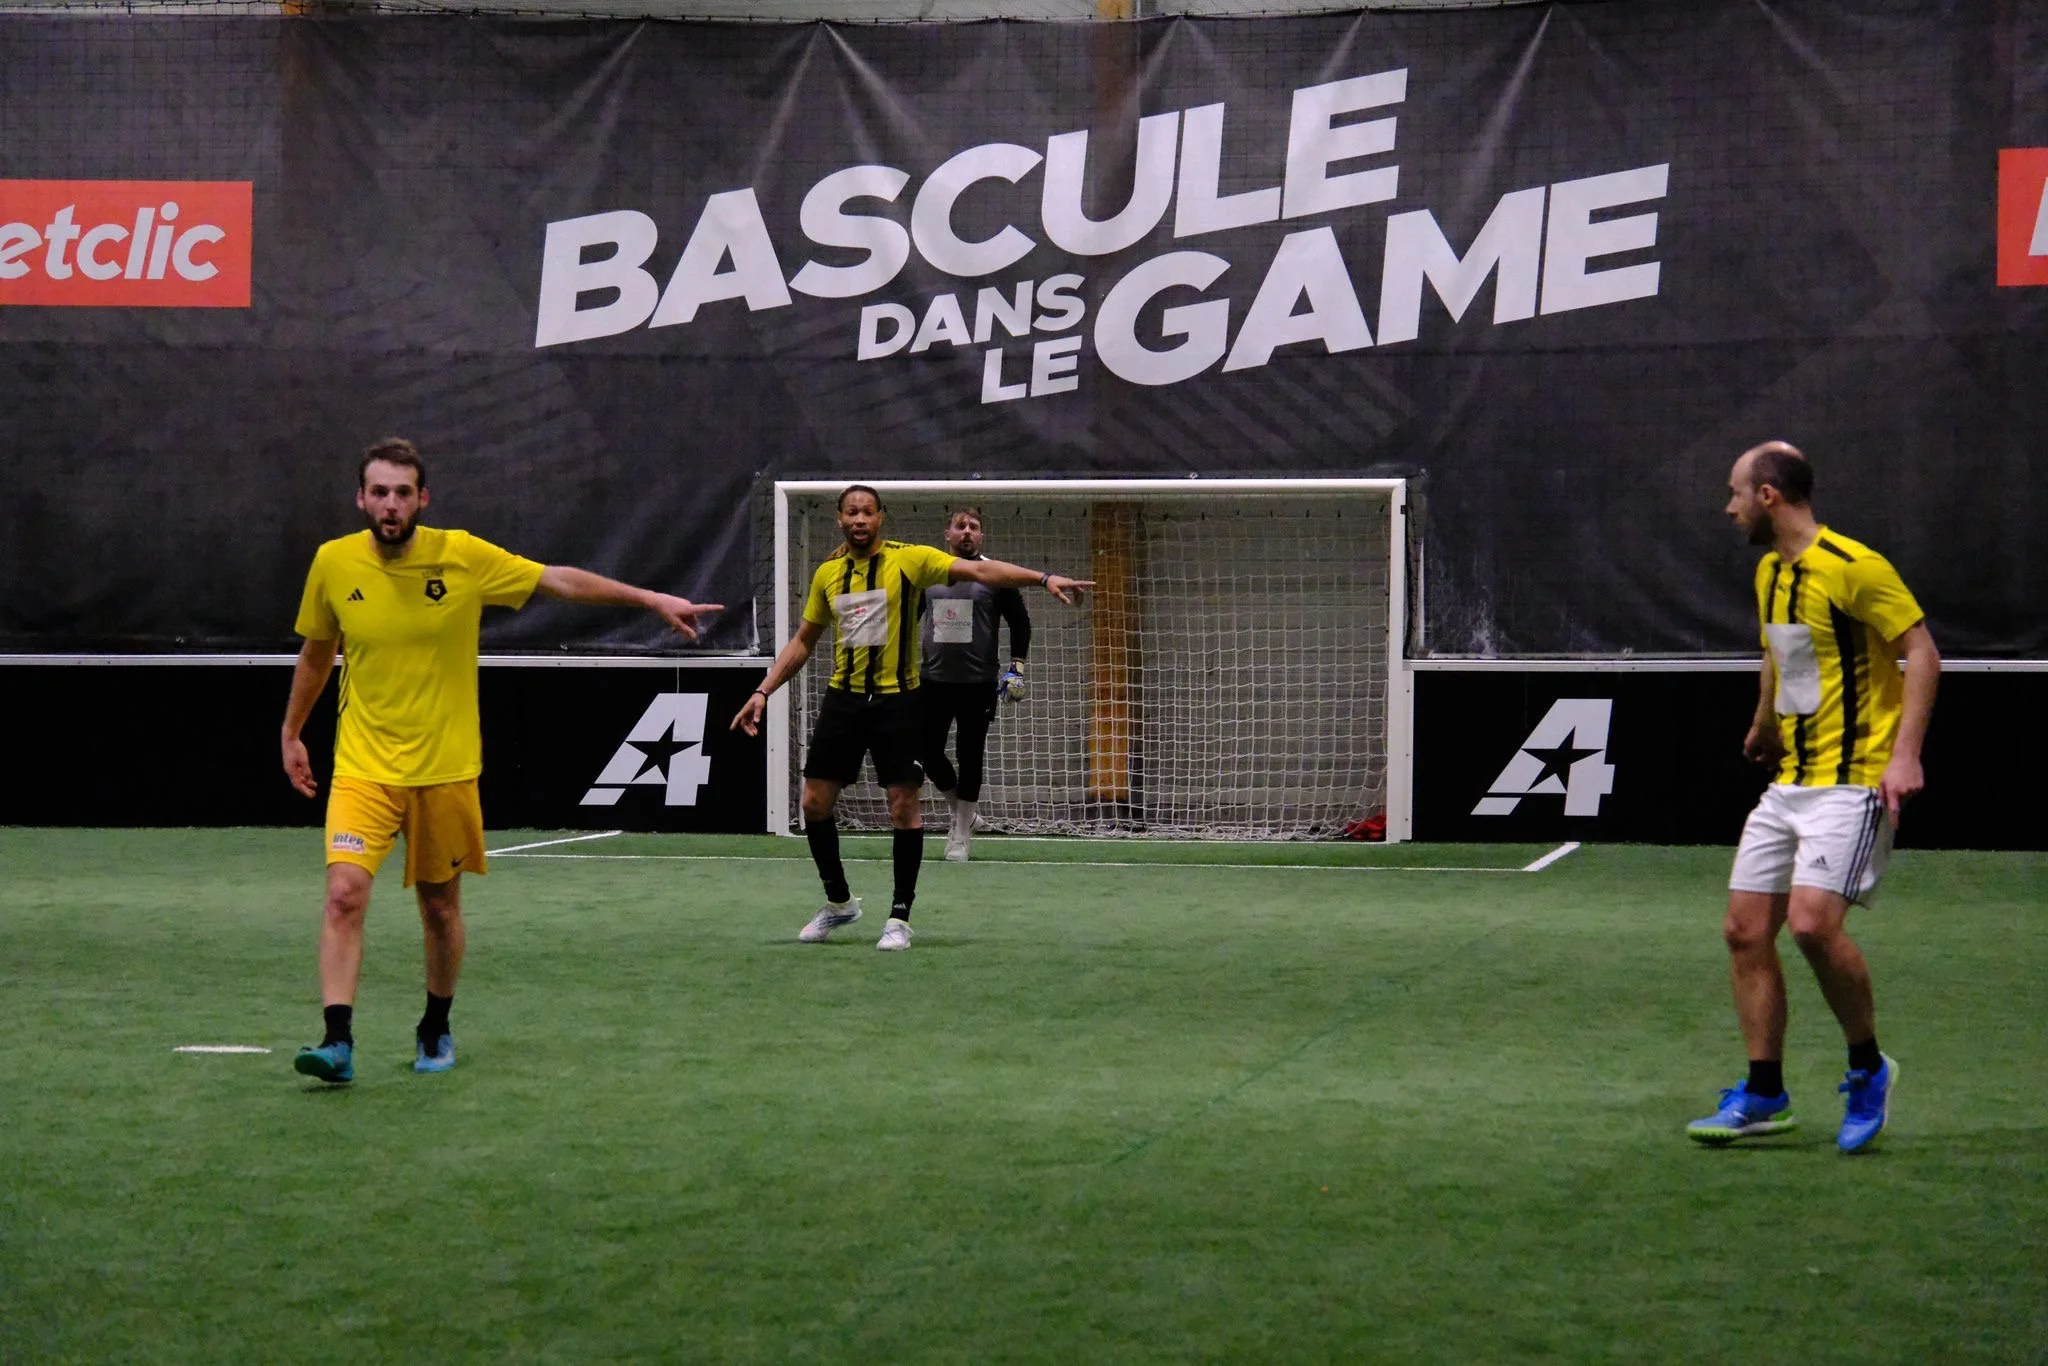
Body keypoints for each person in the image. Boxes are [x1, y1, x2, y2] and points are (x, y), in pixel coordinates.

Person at [282, 438, 721, 1084]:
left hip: (446, 769)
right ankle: (337, 1040)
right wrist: (292, 731)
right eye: (379, 492)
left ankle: (435, 1025)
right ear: (361, 499)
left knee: (440, 909)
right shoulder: (333, 562)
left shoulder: (461, 556)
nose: (391, 504)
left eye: (402, 492)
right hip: (363, 768)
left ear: (422, 499)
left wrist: (650, 599)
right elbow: (318, 653)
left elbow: (557, 579)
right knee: (344, 895)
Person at [1688, 441, 1939, 1152]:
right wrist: (1764, 722)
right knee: (1744, 930)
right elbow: (1781, 652)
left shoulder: (1854, 567)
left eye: (1736, 492)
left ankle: (1868, 1069)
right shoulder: (1771, 571)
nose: (1730, 507)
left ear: (1768, 495)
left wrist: (1906, 755)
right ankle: (1765, 1092)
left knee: (1810, 926)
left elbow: (1922, 653)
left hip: (1854, 779)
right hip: (1791, 780)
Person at [730, 484, 1089, 950]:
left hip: (898, 701)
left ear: (881, 517)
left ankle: (899, 917)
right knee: (814, 804)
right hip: (843, 699)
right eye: (851, 512)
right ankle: (839, 903)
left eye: (868, 512)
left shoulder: (911, 560)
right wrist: (763, 690)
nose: (860, 520)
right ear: (840, 519)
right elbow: (803, 641)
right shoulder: (828, 574)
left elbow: (981, 570)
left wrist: (1042, 578)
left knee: (903, 806)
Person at [919, 506, 1032, 862]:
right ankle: (963, 813)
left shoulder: (994, 576)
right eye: (960, 525)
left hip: (977, 683)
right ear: (948, 534)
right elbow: (907, 619)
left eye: (974, 526)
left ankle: (960, 836)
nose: (967, 531)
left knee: (970, 755)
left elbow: (1020, 622)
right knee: (925, 752)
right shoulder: (928, 573)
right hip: (933, 681)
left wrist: (1016, 668)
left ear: (981, 536)